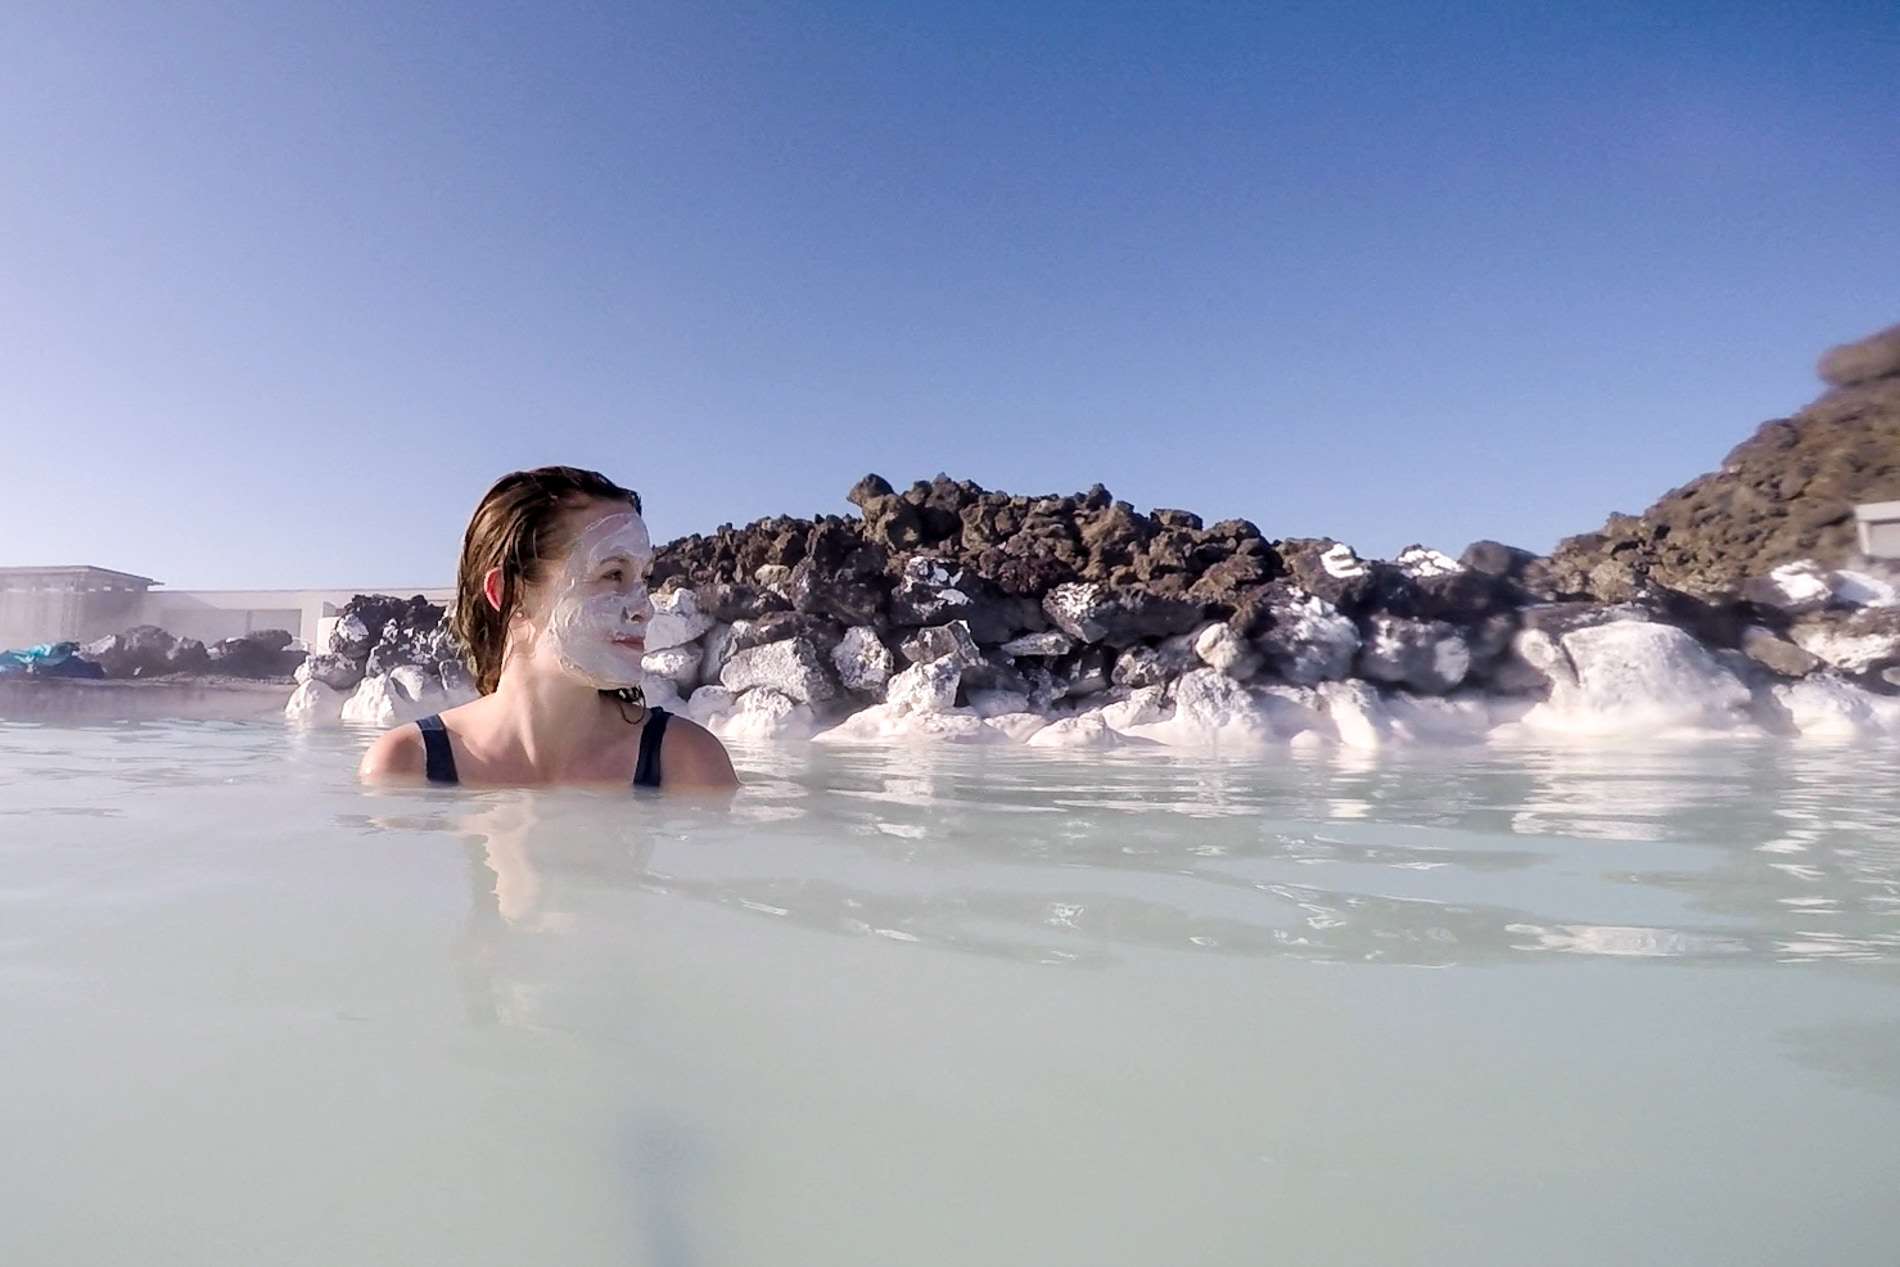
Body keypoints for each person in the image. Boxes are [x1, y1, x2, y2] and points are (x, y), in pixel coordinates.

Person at [359, 466, 738, 790]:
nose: (645, 608)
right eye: (613, 574)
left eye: (644, 578)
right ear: (509, 593)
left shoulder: (688, 765)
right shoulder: (408, 766)